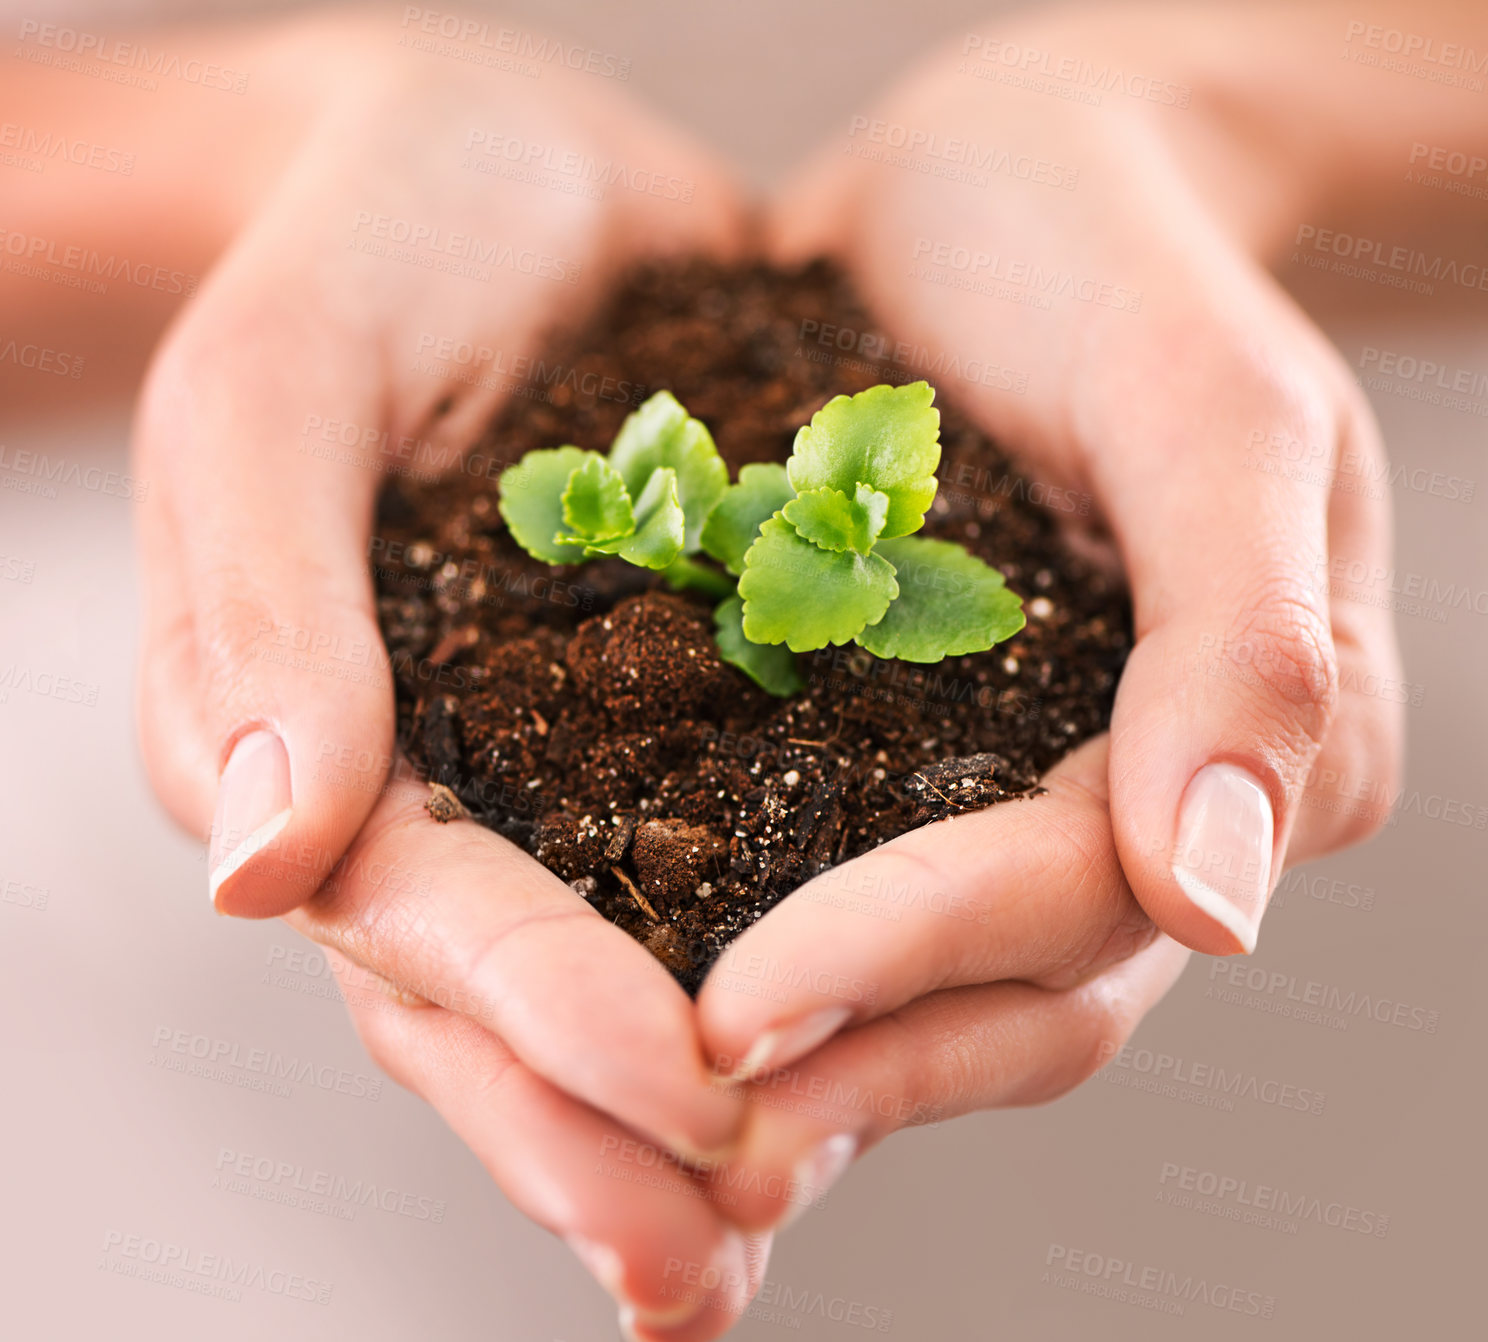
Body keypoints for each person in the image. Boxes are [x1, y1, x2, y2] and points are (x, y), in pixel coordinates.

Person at [6, 2, 1477, 1337]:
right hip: (226, 1047)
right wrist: (266, 156)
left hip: (1314, 827)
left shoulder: (861, 553)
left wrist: (1207, 118)